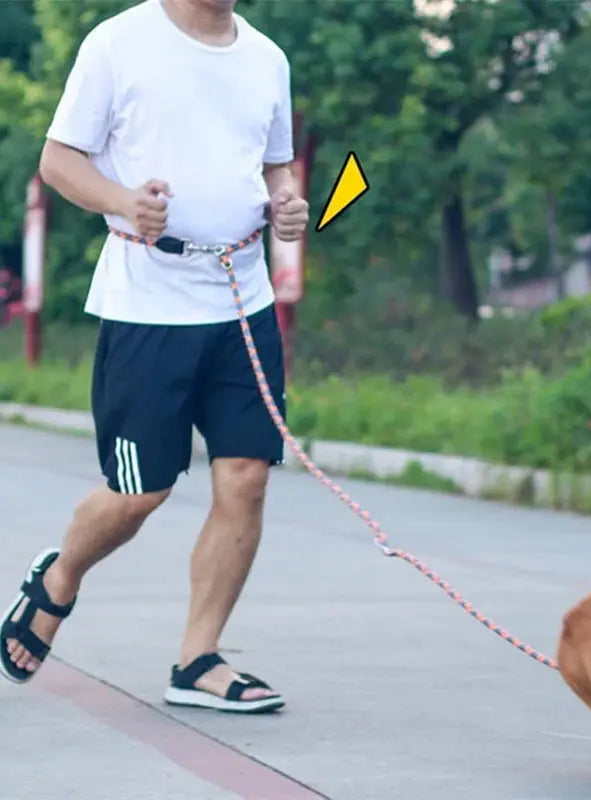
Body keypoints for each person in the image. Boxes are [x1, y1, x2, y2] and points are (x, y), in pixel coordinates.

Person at [0, 0, 309, 714]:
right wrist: (121, 201)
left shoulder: (267, 58)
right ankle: (59, 578)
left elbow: (274, 168)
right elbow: (57, 160)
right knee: (140, 490)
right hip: (148, 306)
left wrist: (285, 204)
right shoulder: (117, 43)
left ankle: (197, 659)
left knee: (246, 477)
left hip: (242, 302)